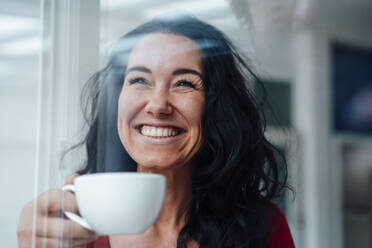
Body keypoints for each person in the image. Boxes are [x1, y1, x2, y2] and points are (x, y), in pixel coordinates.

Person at [17, 15, 295, 248]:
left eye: (184, 83)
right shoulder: (71, 229)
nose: (158, 105)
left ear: (215, 107)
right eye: (139, 80)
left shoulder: (264, 227)